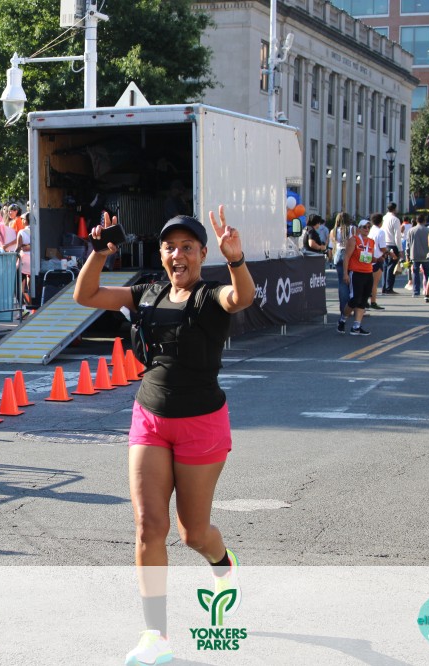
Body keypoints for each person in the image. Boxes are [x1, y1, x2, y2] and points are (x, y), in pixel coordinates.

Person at [73, 208, 253, 666]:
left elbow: (242, 298)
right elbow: (85, 295)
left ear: (202, 254)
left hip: (201, 424)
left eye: (187, 248)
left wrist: (236, 259)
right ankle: (155, 636)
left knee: (193, 533)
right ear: (160, 254)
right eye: (170, 247)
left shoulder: (212, 296)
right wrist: (99, 252)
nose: (178, 255)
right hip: (150, 419)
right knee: (149, 527)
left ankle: (223, 565)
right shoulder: (146, 293)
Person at [337, 219, 378, 336]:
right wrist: (345, 273)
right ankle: (342, 320)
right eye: (364, 227)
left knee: (364, 300)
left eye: (368, 227)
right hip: (356, 272)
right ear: (359, 228)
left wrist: (377, 259)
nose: (367, 229)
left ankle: (356, 326)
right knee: (355, 299)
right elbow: (346, 257)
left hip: (368, 272)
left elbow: (370, 257)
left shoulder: (371, 241)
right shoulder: (354, 240)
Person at [331, 213, 353, 316]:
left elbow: (332, 245)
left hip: (338, 254)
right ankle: (351, 307)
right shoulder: (351, 229)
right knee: (351, 282)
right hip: (348, 254)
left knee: (342, 283)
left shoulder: (334, 231)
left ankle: (343, 309)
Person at [405, 215, 429, 298]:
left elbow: (408, 244)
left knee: (415, 273)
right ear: (424, 221)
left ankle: (416, 291)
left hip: (414, 254)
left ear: (416, 220)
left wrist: (407, 255)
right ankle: (428, 290)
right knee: (427, 274)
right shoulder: (428, 230)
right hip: (426, 255)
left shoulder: (411, 231)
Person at [380, 203, 402, 294]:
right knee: (391, 266)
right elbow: (397, 236)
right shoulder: (395, 220)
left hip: (384, 244)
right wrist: (400, 249)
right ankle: (389, 287)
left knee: (385, 266)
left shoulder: (384, 218)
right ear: (395, 209)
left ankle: (384, 286)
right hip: (392, 244)